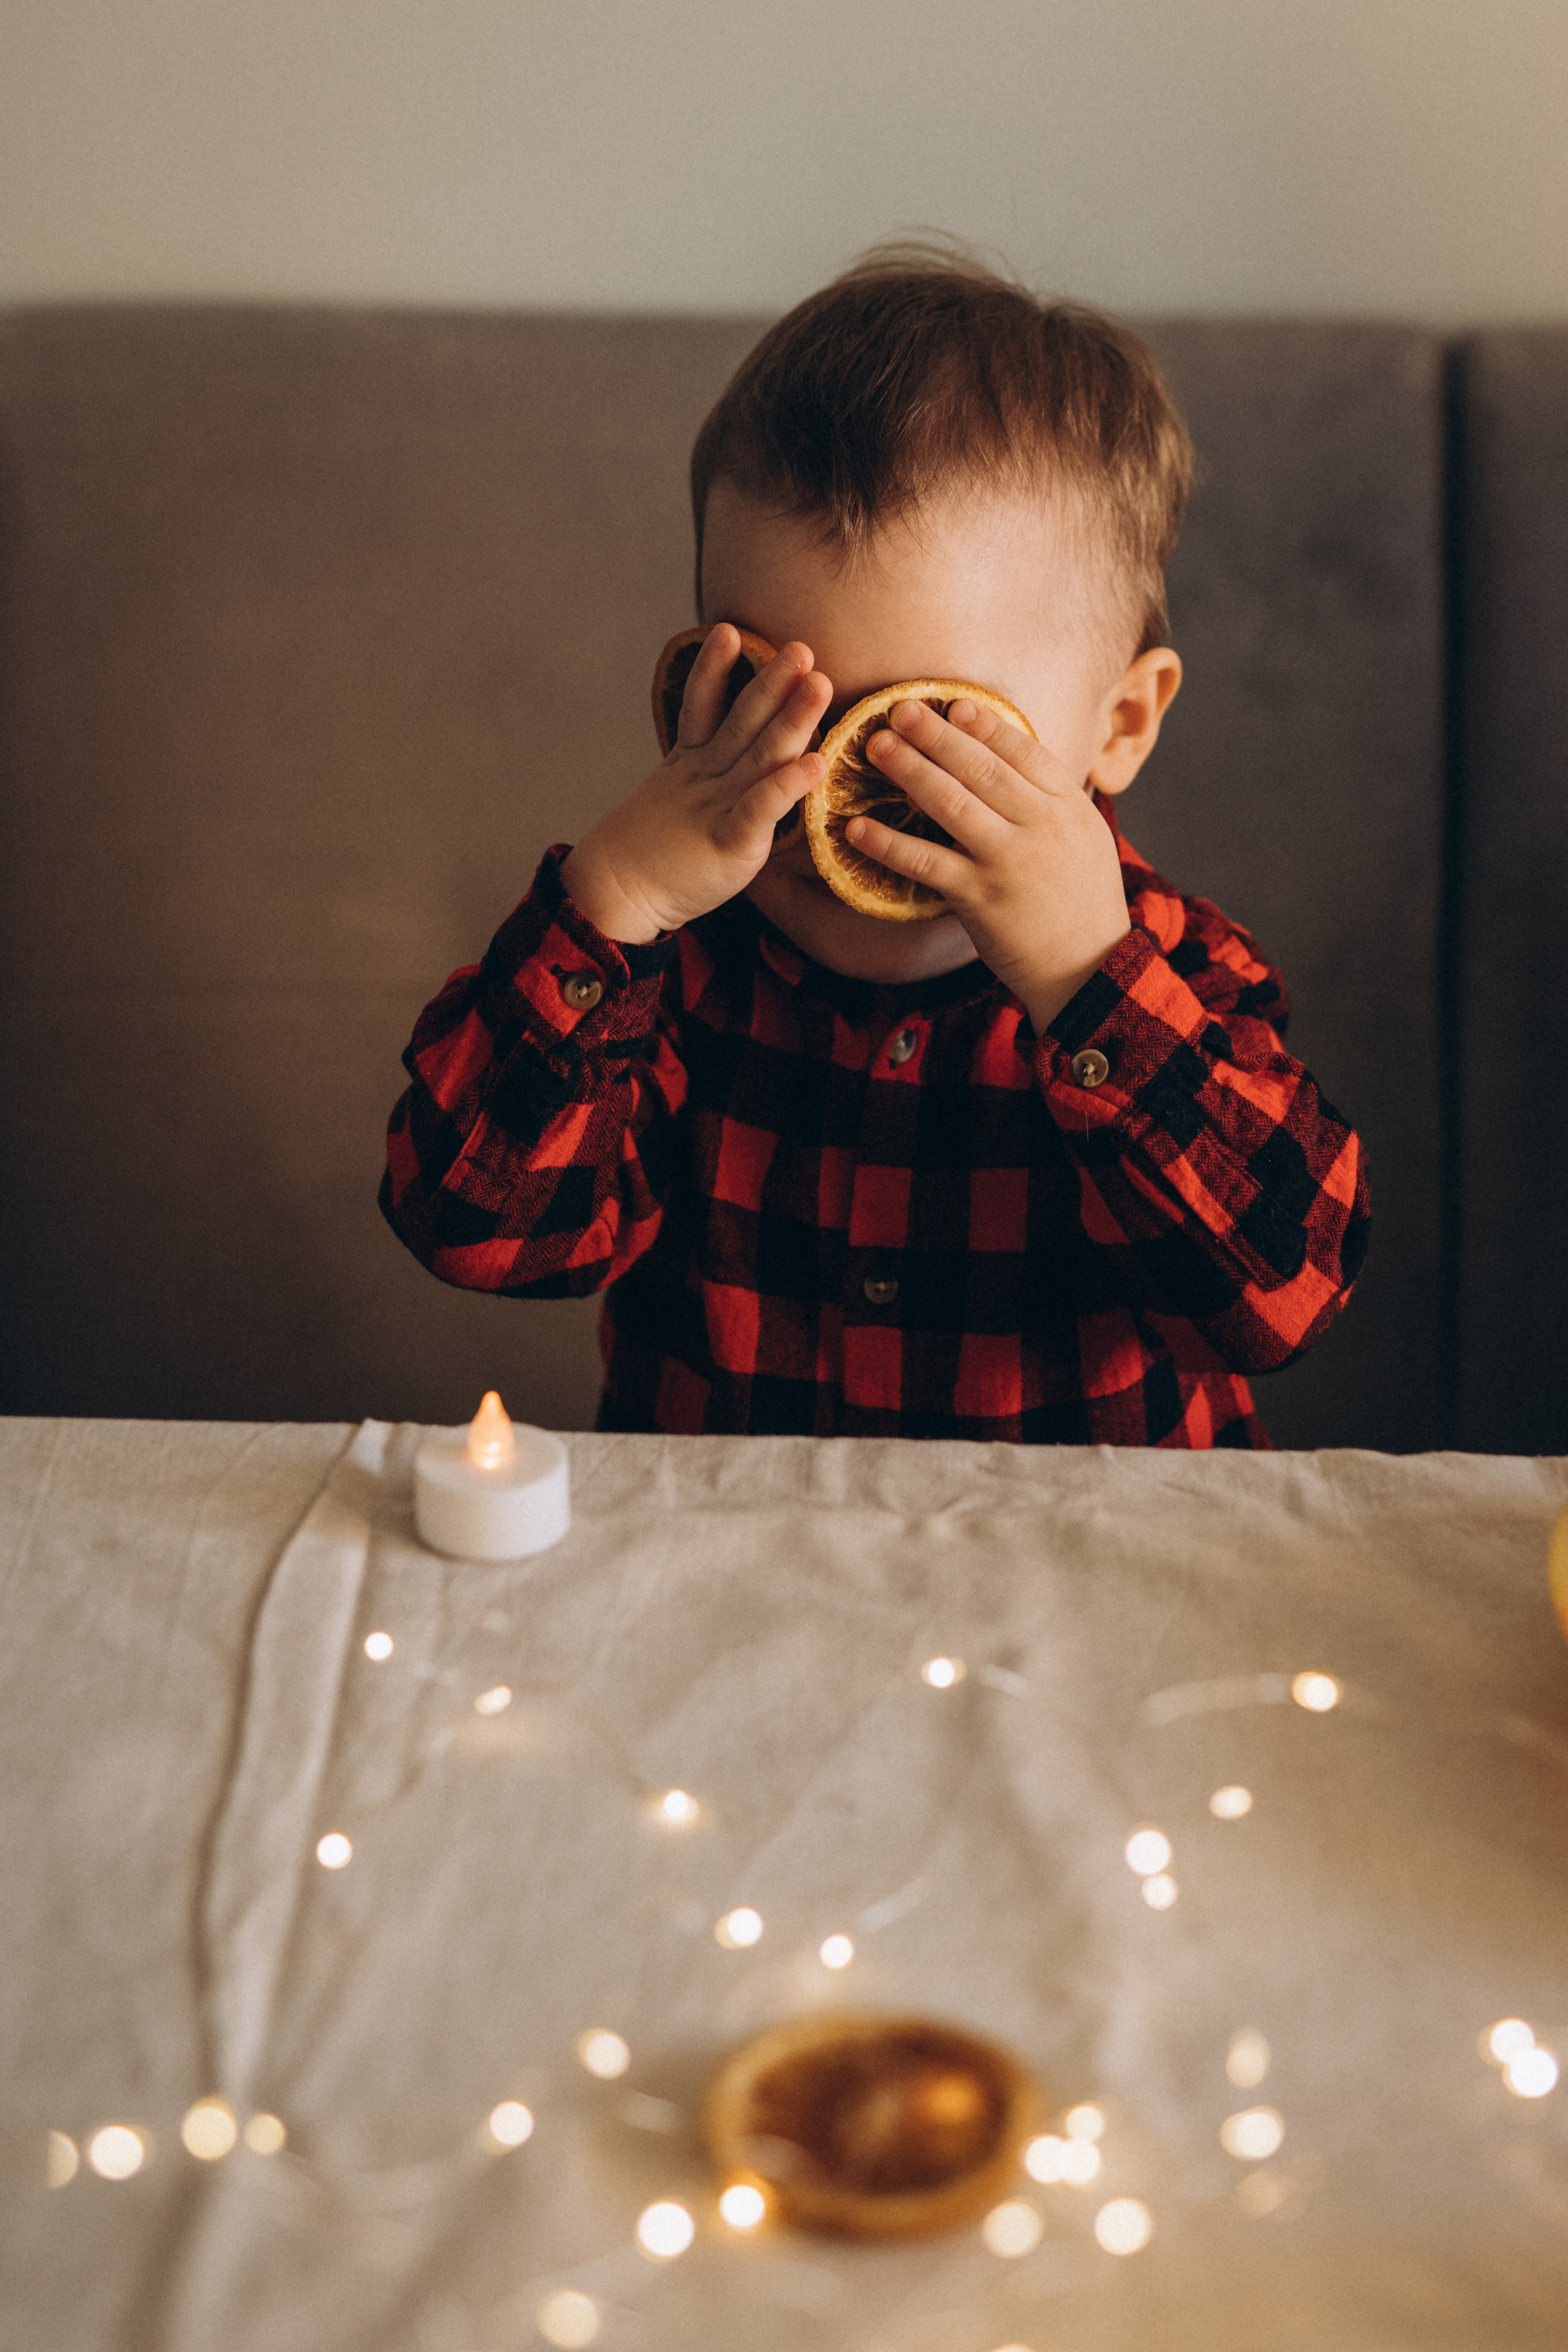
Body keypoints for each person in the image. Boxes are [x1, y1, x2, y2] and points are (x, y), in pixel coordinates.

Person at [380, 239, 1370, 1446]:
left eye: (915, 737)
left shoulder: (1180, 974)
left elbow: (1287, 1303)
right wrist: (617, 895)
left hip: (1077, 1601)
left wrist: (1082, 985)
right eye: (760, 698)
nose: (819, 792)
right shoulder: (665, 974)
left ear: (1116, 725)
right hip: (730, 1579)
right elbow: (477, 1234)